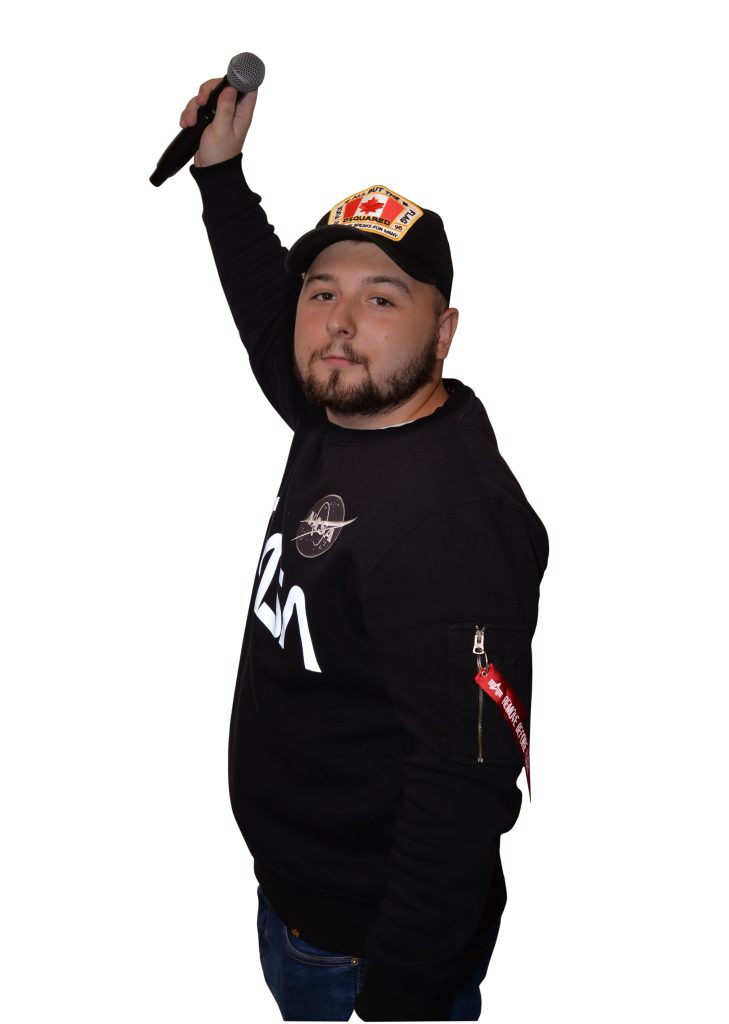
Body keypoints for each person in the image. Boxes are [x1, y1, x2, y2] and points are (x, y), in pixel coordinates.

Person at [178, 79, 549, 1022]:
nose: (339, 323)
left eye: (382, 297)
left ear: (443, 331)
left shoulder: (452, 522)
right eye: (324, 293)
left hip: (371, 953)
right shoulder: (344, 411)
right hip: (293, 899)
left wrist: (400, 997)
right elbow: (270, 317)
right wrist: (220, 176)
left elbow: (462, 789)